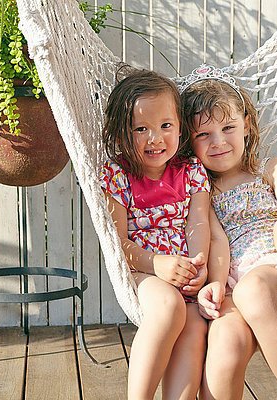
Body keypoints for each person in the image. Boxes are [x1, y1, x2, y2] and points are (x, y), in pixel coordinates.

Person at [178, 65, 277, 400]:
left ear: (247, 125)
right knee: (225, 346)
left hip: (268, 268)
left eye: (228, 127)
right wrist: (214, 282)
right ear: (189, 142)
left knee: (252, 292)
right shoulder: (199, 192)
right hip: (227, 283)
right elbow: (215, 239)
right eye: (203, 135)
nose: (218, 142)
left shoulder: (272, 169)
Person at [100, 68, 211, 399]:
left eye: (165, 126)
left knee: (194, 327)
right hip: (143, 272)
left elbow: (199, 221)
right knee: (167, 307)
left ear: (180, 127)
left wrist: (199, 262)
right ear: (121, 135)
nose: (155, 138)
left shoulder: (191, 172)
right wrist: (156, 264)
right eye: (141, 129)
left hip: (185, 271)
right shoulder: (118, 176)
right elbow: (117, 243)